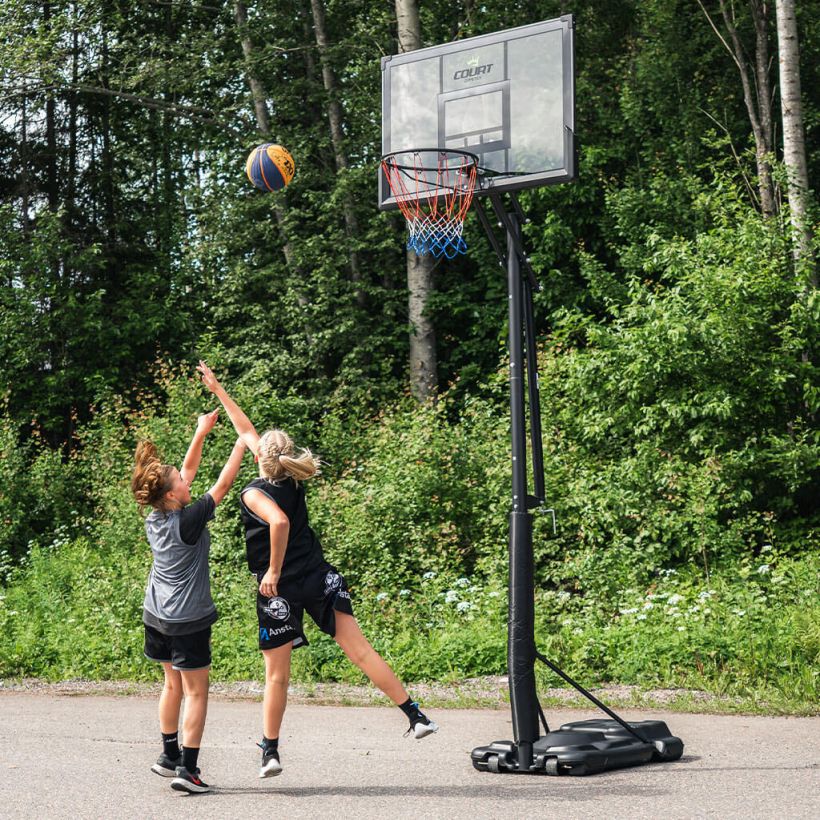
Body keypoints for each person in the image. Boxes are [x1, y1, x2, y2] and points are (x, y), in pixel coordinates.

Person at [196, 361, 438, 779]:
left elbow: (280, 523)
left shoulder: (255, 492)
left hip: (281, 589)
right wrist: (218, 390)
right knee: (359, 650)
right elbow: (246, 429)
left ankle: (270, 752)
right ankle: (415, 716)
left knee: (277, 677)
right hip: (319, 575)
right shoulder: (290, 477)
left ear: (261, 459)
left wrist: (272, 571)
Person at [131, 410, 247, 794]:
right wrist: (240, 442)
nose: (186, 479)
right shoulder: (189, 518)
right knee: (196, 691)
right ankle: (190, 771)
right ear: (171, 494)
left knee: (171, 685)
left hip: (156, 615)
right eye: (180, 480)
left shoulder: (157, 516)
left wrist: (200, 431)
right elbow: (225, 482)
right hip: (187, 619)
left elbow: (188, 469)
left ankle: (168, 756)